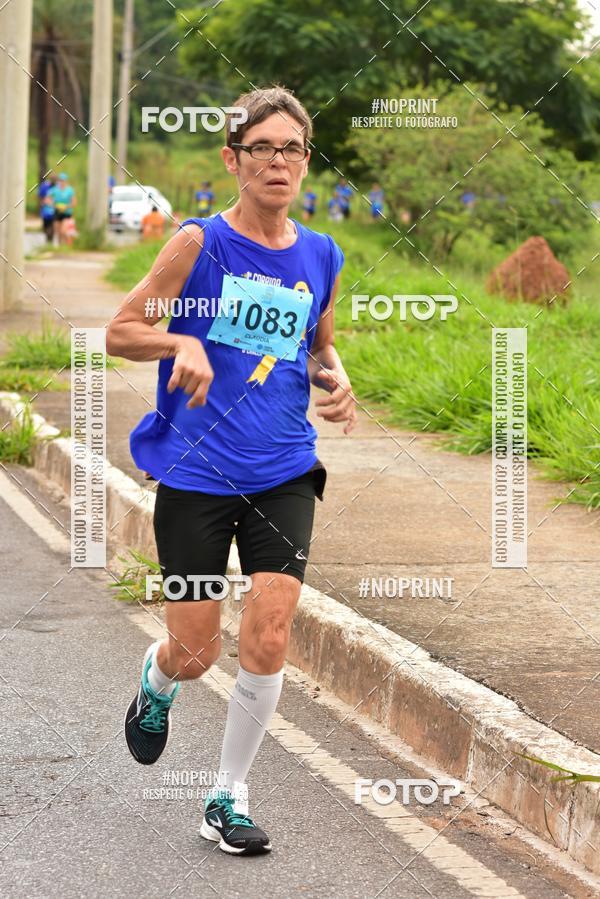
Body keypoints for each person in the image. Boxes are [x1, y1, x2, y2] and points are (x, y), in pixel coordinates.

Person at [106, 85, 356, 856]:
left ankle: (226, 796)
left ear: (306, 161)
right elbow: (121, 330)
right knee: (195, 648)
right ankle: (156, 685)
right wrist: (179, 343)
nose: (278, 162)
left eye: (292, 149)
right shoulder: (196, 243)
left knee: (271, 634)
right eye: (262, 148)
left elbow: (315, 343)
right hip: (197, 471)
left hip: (283, 467)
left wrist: (336, 376)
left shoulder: (322, 253)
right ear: (233, 159)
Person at [50, 173, 76, 245]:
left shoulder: (70, 190)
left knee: (63, 231)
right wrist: (53, 204)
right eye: (60, 180)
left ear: (66, 181)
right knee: (58, 232)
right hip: (57, 212)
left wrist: (66, 206)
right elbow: (48, 199)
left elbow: (74, 203)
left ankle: (68, 245)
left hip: (66, 213)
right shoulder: (55, 190)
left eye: (63, 180)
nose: (61, 182)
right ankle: (60, 247)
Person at [38, 174, 56, 243]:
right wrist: (41, 204)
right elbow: (40, 196)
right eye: (53, 180)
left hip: (54, 210)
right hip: (45, 210)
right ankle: (48, 239)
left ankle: (50, 240)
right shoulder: (45, 186)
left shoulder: (57, 187)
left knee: (52, 226)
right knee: (46, 226)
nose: (54, 181)